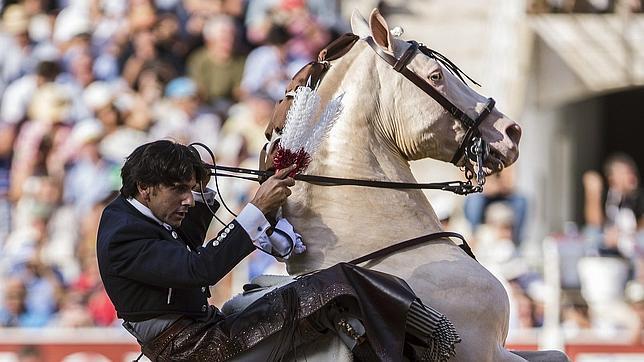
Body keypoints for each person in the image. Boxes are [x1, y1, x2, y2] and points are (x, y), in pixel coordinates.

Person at [96, 140, 298, 355]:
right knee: (312, 299)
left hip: (197, 331)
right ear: (144, 187)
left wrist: (200, 187)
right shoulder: (123, 234)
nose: (190, 201)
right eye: (179, 189)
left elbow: (185, 246)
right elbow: (198, 269)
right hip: (189, 346)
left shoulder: (135, 212)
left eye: (191, 189)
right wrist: (256, 208)